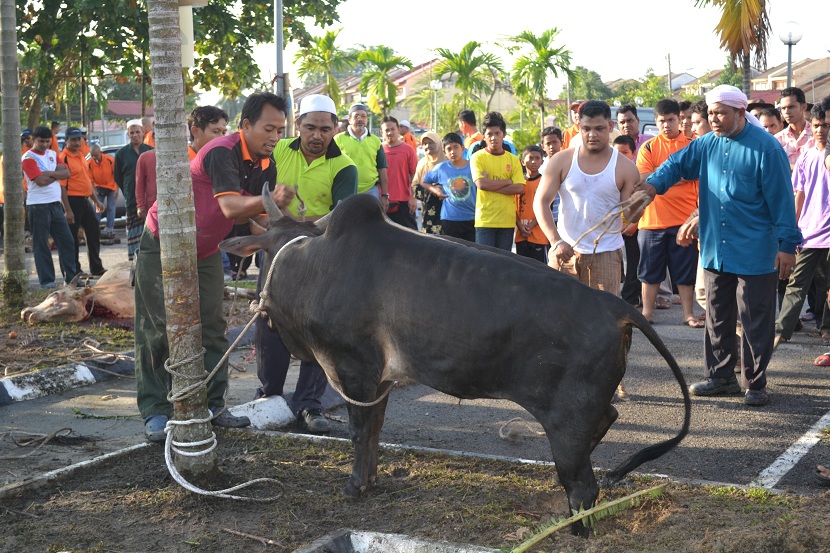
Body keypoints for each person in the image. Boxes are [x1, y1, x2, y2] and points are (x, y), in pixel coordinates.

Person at [639, 84, 801, 407]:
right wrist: (652, 186)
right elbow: (675, 165)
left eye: (721, 113)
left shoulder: (766, 149)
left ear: (740, 113)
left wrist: (787, 245)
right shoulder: (706, 145)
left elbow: (783, 202)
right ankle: (720, 377)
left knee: (755, 320)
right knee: (716, 316)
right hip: (715, 249)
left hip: (756, 251)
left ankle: (755, 383)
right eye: (710, 113)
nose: (713, 119)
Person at [136, 98, 289, 442]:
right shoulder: (223, 150)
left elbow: (258, 223)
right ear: (245, 126)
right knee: (156, 328)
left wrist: (288, 230)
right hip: (164, 242)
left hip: (205, 250)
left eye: (280, 130)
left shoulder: (266, 163)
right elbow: (231, 205)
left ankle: (214, 406)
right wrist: (271, 202)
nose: (275, 136)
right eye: (269, 128)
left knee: (213, 326)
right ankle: (156, 410)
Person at [255, 93, 358, 434]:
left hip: (319, 259)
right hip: (277, 255)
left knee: (318, 329)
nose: (317, 135)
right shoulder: (278, 150)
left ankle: (309, 405)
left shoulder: (344, 167)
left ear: (336, 129)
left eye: (325, 129)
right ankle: (268, 393)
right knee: (269, 321)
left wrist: (288, 219)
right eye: (310, 127)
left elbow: (341, 216)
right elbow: (257, 192)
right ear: (296, 125)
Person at [534, 100, 640, 293]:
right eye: (586, 128)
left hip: (606, 254)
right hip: (565, 252)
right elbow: (540, 202)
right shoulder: (561, 160)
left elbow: (630, 215)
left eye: (599, 128)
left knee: (603, 317)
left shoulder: (626, 168)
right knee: (559, 317)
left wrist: (640, 202)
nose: (592, 135)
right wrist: (556, 241)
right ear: (579, 128)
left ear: (610, 127)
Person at [635, 99, 700, 327]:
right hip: (652, 221)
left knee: (685, 272)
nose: (666, 125)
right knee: (649, 271)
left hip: (685, 219)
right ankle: (646, 313)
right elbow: (643, 178)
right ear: (656, 122)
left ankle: (688, 314)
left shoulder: (692, 144)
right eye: (662, 121)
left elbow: (696, 175)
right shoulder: (649, 147)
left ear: (679, 120)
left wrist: (660, 175)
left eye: (671, 120)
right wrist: (681, 176)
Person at [774, 103, 830, 347]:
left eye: (826, 125)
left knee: (827, 287)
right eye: (816, 125)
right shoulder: (807, 155)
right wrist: (792, 229)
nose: (820, 130)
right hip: (808, 232)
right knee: (797, 283)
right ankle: (782, 329)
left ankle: (826, 329)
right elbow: (799, 194)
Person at [21, 126, 78, 288]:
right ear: (33, 139)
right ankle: (47, 281)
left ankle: (71, 278)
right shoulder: (28, 158)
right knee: (41, 244)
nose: (45, 145)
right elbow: (39, 181)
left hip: (55, 204)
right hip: (38, 206)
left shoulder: (52, 154)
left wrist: (48, 173)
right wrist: (54, 174)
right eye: (41, 141)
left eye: (48, 141)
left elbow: (66, 174)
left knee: (67, 241)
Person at [470, 111, 524, 251]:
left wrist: (490, 184)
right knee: (484, 263)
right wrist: (507, 181)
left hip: (507, 221)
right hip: (485, 221)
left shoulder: (513, 159)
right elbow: (481, 184)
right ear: (484, 136)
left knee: (503, 265)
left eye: (497, 133)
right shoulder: (477, 157)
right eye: (489, 134)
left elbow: (519, 188)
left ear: (504, 135)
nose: (493, 137)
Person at [60, 126, 106, 277]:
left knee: (94, 231)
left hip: (85, 199)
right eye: (73, 139)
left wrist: (96, 201)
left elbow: (86, 181)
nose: (77, 142)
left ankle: (96, 267)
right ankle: (75, 271)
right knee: (72, 237)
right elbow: (62, 188)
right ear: (66, 140)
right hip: (72, 200)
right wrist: (67, 210)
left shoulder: (81, 155)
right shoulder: (63, 158)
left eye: (79, 139)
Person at [422, 133, 476, 242]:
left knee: (472, 253)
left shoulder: (473, 167)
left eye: (456, 147)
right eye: (449, 149)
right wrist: (436, 190)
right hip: (450, 218)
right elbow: (424, 182)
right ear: (444, 152)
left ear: (462, 148)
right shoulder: (441, 168)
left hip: (472, 217)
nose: (453, 152)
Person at [334, 103, 389, 211]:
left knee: (371, 223)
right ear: (349, 119)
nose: (360, 119)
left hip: (371, 191)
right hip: (346, 190)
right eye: (356, 116)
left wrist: (385, 195)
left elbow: (382, 169)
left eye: (363, 116)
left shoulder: (375, 140)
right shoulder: (338, 139)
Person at [114, 119, 153, 261]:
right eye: (132, 133)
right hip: (132, 201)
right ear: (128, 134)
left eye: (137, 132)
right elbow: (118, 177)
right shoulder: (121, 154)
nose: (135, 135)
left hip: (151, 201)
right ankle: (135, 268)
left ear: (143, 132)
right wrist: (128, 191)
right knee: (134, 236)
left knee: (151, 235)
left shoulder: (150, 151)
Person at [614, 134, 642, 307]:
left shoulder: (637, 174)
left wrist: (634, 223)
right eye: (617, 152)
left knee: (633, 264)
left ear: (633, 153)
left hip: (633, 227)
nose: (621, 156)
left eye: (625, 152)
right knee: (615, 265)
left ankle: (631, 299)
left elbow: (645, 201)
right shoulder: (608, 172)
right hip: (613, 228)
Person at [381, 116, 418, 229]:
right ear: (381, 132)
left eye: (393, 129)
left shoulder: (408, 150)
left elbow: (415, 176)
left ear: (398, 130)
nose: (390, 133)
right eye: (387, 130)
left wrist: (413, 197)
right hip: (383, 202)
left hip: (404, 202)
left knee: (411, 239)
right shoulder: (378, 150)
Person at [514, 145, 549, 263]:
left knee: (540, 271)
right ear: (523, 162)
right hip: (521, 235)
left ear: (542, 161)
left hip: (539, 235)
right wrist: (520, 226)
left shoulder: (545, 181)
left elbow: (547, 206)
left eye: (537, 158)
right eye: (530, 158)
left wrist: (531, 225)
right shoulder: (518, 183)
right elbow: (513, 207)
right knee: (522, 270)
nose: (534, 161)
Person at [410, 131, 447, 235]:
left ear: (438, 143)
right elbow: (415, 185)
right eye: (425, 144)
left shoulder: (447, 161)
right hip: (429, 210)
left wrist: (443, 189)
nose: (428, 146)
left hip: (448, 209)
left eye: (431, 142)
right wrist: (432, 190)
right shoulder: (422, 163)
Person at [775, 87, 814, 169]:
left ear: (803, 107)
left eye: (791, 107)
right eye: (783, 108)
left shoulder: (818, 135)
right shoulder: (777, 140)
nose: (787, 112)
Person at [88, 144, 118, 239]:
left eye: (96, 155)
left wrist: (117, 189)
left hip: (111, 187)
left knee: (111, 208)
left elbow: (116, 174)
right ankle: (95, 228)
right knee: (97, 208)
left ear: (100, 153)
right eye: (92, 155)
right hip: (99, 188)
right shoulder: (89, 164)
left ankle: (109, 228)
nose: (94, 157)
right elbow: (90, 180)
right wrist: (93, 191)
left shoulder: (110, 160)